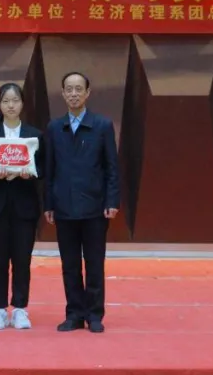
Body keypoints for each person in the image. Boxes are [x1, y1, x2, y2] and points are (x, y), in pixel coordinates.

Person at [43, 71, 120, 333]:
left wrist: (112, 200)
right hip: (64, 207)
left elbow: (112, 168)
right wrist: (48, 204)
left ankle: (94, 315)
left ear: (87, 93)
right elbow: (49, 169)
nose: (74, 94)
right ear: (63, 94)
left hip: (95, 207)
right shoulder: (54, 127)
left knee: (95, 264)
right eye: (69, 89)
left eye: (78, 89)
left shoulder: (102, 125)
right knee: (70, 265)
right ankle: (74, 313)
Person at [0, 83, 43, 330]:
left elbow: (44, 167)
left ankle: (21, 308)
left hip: (25, 205)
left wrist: (30, 173)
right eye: (5, 101)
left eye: (15, 100)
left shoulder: (35, 135)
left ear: (22, 103)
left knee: (23, 259)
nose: (10, 105)